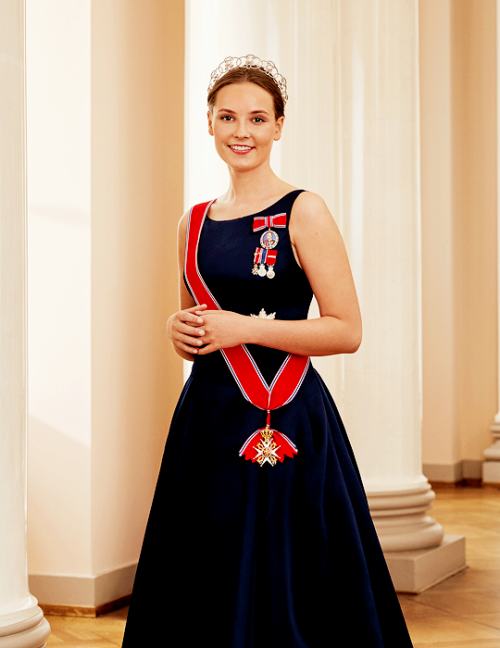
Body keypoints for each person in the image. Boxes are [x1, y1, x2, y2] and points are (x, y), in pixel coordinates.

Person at [121, 55, 414, 648]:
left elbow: (346, 330)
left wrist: (245, 329)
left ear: (279, 126)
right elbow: (200, 325)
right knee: (209, 559)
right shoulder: (193, 222)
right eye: (227, 118)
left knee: (296, 572)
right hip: (209, 419)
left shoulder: (304, 209)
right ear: (209, 124)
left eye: (257, 118)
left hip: (288, 420)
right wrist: (178, 330)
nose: (241, 132)